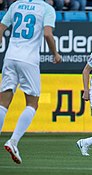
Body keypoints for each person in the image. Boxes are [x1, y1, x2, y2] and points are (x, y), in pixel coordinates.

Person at [0, 0, 61, 164]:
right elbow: (48, 34)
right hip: (28, 60)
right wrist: (55, 53)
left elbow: (1, 27)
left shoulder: (16, 4)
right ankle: (13, 142)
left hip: (10, 56)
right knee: (32, 103)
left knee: (3, 103)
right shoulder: (46, 8)